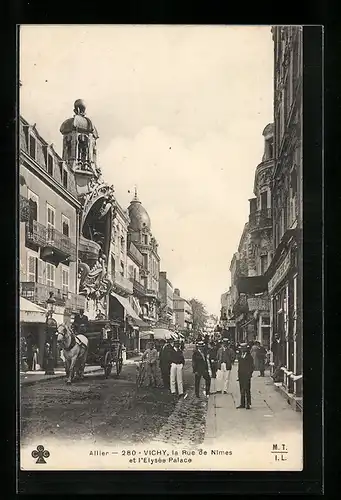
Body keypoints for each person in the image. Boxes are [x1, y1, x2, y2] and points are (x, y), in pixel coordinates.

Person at [236, 343, 254, 409]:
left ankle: (248, 403)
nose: (242, 350)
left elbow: (252, 366)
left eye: (243, 348)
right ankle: (242, 403)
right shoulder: (240, 356)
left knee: (247, 389)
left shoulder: (249, 357)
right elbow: (239, 366)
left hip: (247, 375)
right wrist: (238, 374)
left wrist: (250, 374)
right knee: (241, 389)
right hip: (241, 375)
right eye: (241, 348)